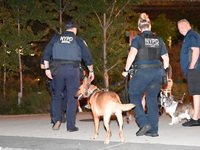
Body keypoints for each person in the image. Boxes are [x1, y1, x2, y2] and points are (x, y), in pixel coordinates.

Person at [122, 13, 169, 137]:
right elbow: (166, 58)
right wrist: (164, 73)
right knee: (152, 100)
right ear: (150, 25)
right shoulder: (159, 39)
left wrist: (126, 69)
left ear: (139, 28)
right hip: (157, 73)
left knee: (134, 95)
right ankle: (153, 130)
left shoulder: (137, 39)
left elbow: (132, 54)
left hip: (142, 72)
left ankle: (143, 122)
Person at [42, 20, 94, 132]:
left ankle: (57, 120)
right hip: (73, 70)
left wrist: (47, 69)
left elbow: (46, 54)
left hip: (57, 70)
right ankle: (70, 126)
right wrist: (91, 71)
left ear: (65, 29)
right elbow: (87, 57)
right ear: (75, 29)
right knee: (73, 97)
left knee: (57, 96)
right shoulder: (78, 40)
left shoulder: (56, 39)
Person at [177, 19, 200, 126]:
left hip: (194, 69)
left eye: (182, 27)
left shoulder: (192, 35)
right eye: (179, 28)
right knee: (196, 93)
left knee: (196, 93)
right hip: (193, 69)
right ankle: (198, 116)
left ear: (188, 25)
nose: (180, 30)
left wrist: (191, 66)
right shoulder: (188, 36)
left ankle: (195, 118)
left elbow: (196, 50)